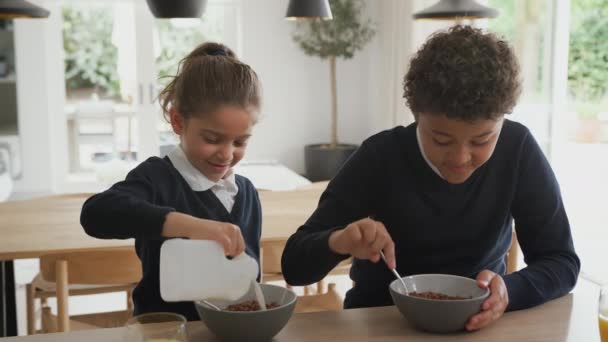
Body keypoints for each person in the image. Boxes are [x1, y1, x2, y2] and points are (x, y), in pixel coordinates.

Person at [281, 25, 580, 331]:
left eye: (481, 140)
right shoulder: (380, 156)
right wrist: (339, 241)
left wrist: (508, 290)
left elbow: (561, 261)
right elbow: (294, 266)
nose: (461, 158)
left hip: (478, 327)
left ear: (503, 121)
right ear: (415, 116)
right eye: (441, 140)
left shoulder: (517, 149)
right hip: (381, 325)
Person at [81, 42, 263, 320]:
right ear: (178, 121)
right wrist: (192, 226)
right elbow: (96, 214)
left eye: (240, 141)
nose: (227, 154)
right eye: (212, 139)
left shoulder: (247, 192)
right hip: (166, 331)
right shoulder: (156, 179)